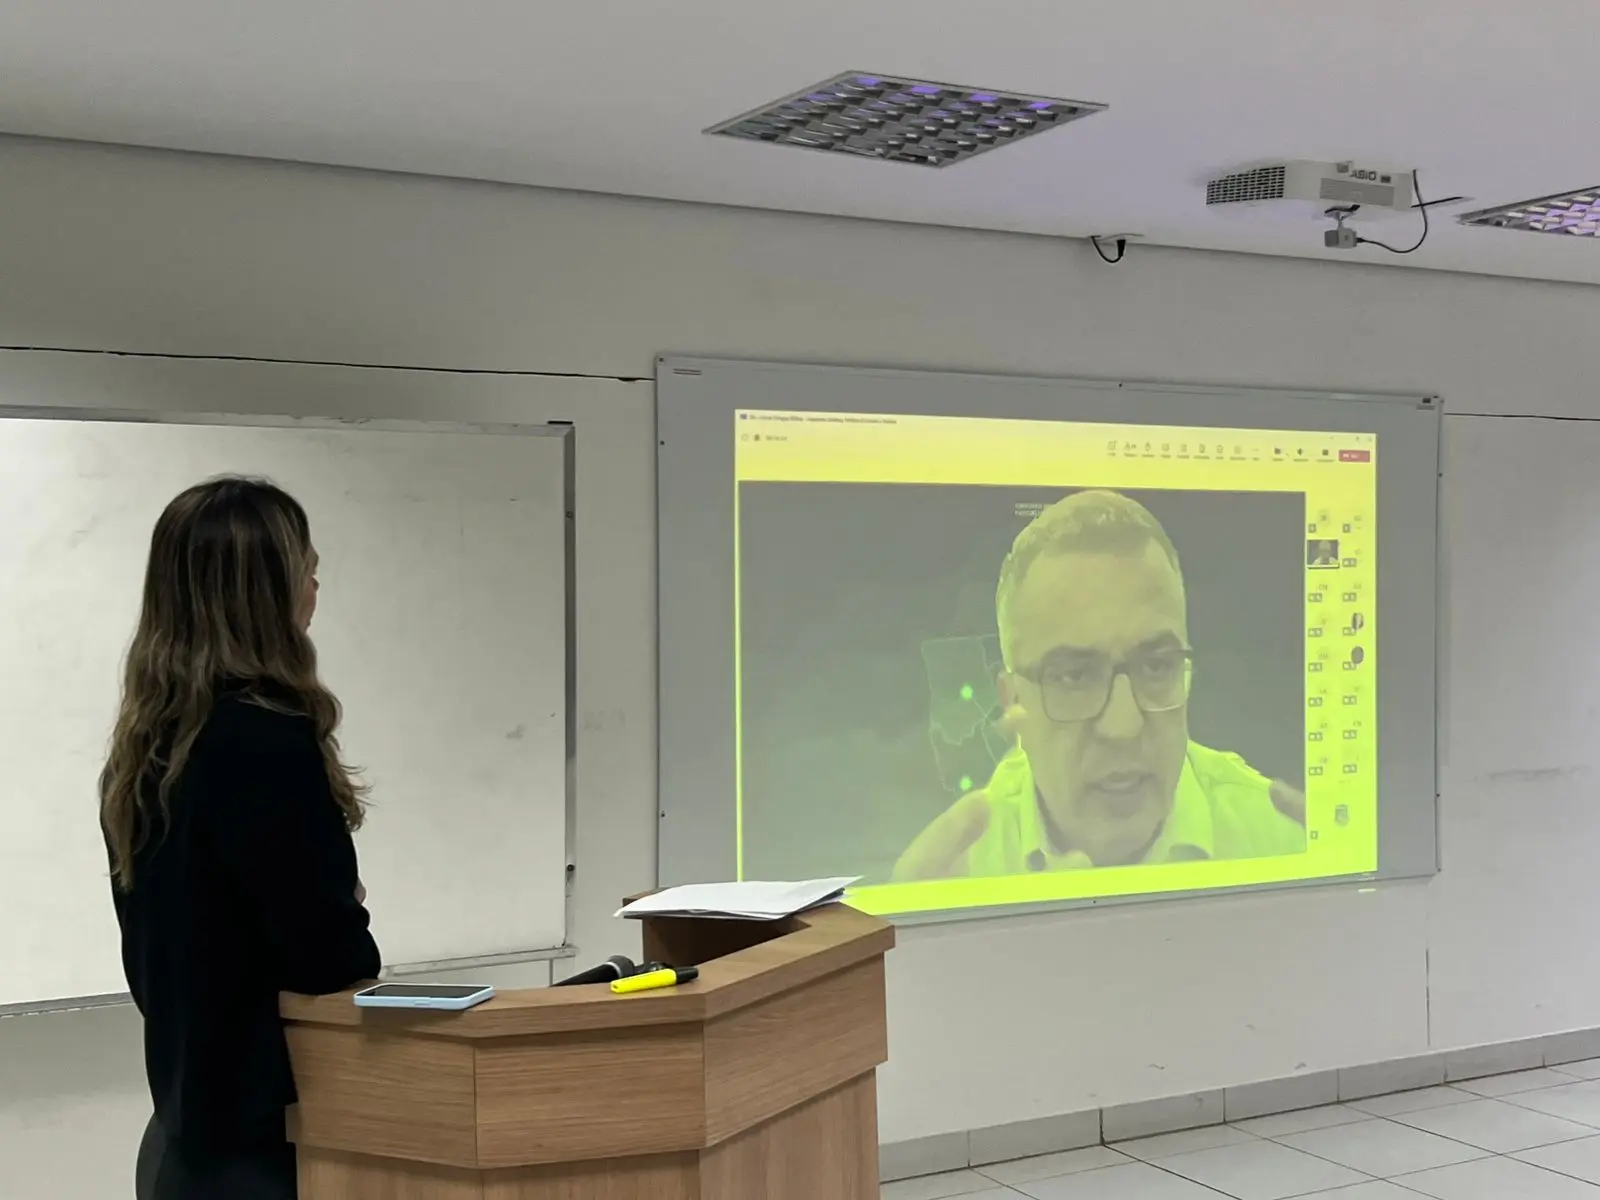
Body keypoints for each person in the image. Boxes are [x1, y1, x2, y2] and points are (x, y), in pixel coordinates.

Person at [100, 477, 381, 1200]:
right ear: (265, 594)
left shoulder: (147, 752)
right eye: (305, 569)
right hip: (262, 1149)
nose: (315, 588)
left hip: (183, 1136)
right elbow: (331, 957)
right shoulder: (263, 742)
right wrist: (344, 901)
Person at [894, 490, 1305, 881]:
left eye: (1157, 666)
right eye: (1074, 676)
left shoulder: (1282, 841)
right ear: (1013, 702)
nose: (1123, 727)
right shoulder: (962, 869)